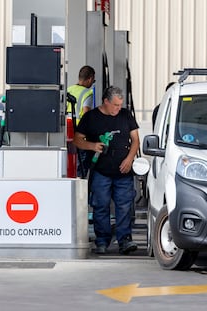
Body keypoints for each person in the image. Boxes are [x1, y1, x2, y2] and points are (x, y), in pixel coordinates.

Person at [73, 86, 140, 255]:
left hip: (123, 171)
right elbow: (77, 140)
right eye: (115, 105)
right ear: (106, 101)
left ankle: (125, 240)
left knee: (124, 206)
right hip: (100, 171)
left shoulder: (126, 115)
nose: (118, 108)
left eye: (120, 105)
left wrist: (129, 159)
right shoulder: (91, 117)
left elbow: (136, 140)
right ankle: (102, 241)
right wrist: (92, 145)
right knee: (101, 206)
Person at [66, 65, 95, 178]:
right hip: (80, 133)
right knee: (81, 165)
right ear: (90, 79)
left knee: (69, 161)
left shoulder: (69, 90)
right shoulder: (87, 93)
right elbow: (86, 112)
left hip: (67, 132)